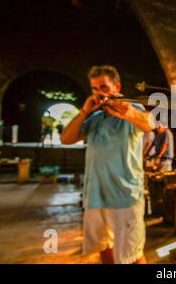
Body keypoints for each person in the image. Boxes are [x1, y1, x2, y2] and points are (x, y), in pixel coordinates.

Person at [60, 65, 153, 264]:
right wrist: (84, 111)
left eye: (103, 87)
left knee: (132, 255)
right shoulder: (94, 118)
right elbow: (66, 139)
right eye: (94, 88)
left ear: (116, 86)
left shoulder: (131, 109)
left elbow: (148, 123)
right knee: (103, 247)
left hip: (124, 197)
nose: (98, 93)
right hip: (95, 196)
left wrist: (127, 112)